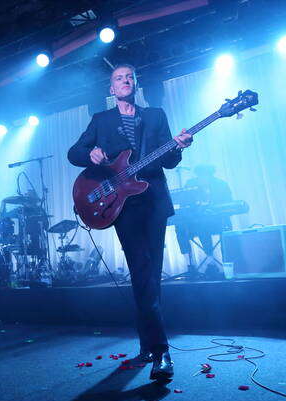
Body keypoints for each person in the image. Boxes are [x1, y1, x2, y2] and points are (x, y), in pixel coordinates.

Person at [67, 64, 193, 380]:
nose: (125, 80)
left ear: (135, 83)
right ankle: (161, 351)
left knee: (150, 273)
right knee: (141, 270)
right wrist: (91, 155)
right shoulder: (101, 120)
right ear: (111, 88)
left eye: (130, 76)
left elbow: (169, 161)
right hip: (122, 205)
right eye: (119, 77)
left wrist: (179, 147)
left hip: (153, 201)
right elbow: (74, 152)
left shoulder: (155, 116)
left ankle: (148, 344)